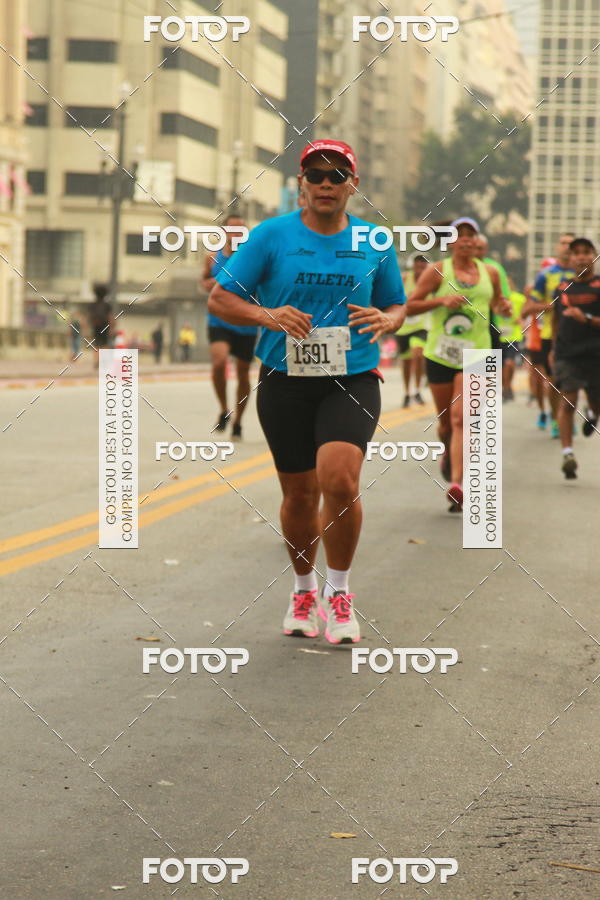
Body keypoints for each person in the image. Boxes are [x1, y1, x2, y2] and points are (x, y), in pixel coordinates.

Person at [208, 139, 406, 643]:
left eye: (337, 175)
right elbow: (221, 297)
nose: (325, 183)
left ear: (352, 185)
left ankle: (338, 594)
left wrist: (388, 319)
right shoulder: (271, 236)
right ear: (302, 182)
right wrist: (267, 315)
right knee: (299, 494)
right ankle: (303, 590)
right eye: (315, 175)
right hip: (284, 380)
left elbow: (396, 305)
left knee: (339, 480)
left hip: (353, 377)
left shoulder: (375, 242)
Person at [406, 216, 511, 512]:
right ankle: (449, 451)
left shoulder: (490, 272)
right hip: (440, 353)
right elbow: (411, 304)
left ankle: (458, 484)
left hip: (477, 353)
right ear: (450, 241)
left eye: (471, 234)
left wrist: (503, 307)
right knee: (445, 424)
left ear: (477, 242)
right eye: (459, 234)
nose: (465, 239)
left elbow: (499, 303)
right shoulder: (437, 270)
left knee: (461, 418)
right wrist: (441, 302)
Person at [201, 214, 258, 438]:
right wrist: (215, 283)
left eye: (241, 230)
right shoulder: (212, 258)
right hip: (219, 319)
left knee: (243, 373)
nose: (236, 234)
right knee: (219, 361)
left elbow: (261, 286)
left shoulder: (254, 259)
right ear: (223, 232)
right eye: (232, 229)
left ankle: (238, 421)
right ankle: (224, 409)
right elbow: (205, 282)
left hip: (247, 322)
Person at [551, 237, 600, 479]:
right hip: (567, 355)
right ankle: (568, 453)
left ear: (594, 256)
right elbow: (555, 320)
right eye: (576, 253)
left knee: (596, 402)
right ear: (569, 259)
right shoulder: (561, 288)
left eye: (586, 252)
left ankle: (592, 414)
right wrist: (552, 350)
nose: (581, 257)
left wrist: (588, 319)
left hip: (596, 355)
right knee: (567, 402)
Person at [523, 234, 575, 437]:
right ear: (557, 247)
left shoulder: (581, 273)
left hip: (576, 334)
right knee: (554, 380)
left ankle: (568, 414)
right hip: (549, 335)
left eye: (571, 244)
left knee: (571, 380)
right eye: (563, 243)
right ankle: (555, 419)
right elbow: (531, 305)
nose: (567, 247)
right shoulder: (546, 274)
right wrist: (550, 306)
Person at [396, 253, 429, 406]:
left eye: (424, 266)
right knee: (407, 361)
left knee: (418, 354)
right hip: (403, 326)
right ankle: (407, 393)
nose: (421, 269)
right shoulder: (404, 279)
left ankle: (417, 389)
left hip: (421, 325)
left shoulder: (430, 280)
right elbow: (392, 295)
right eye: (418, 266)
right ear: (413, 266)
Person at [498, 278, 526, 401]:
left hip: (513, 337)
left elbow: (527, 309)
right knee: (500, 365)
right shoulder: (494, 298)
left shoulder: (519, 298)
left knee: (509, 363)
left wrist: (521, 318)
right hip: (498, 336)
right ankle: (505, 388)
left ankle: (508, 386)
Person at [89, 283, 114, 368]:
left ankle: (96, 361)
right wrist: (111, 328)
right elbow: (110, 317)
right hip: (105, 326)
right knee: (105, 344)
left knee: (96, 345)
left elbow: (90, 316)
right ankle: (104, 361)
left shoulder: (93, 305)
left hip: (96, 326)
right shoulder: (107, 305)